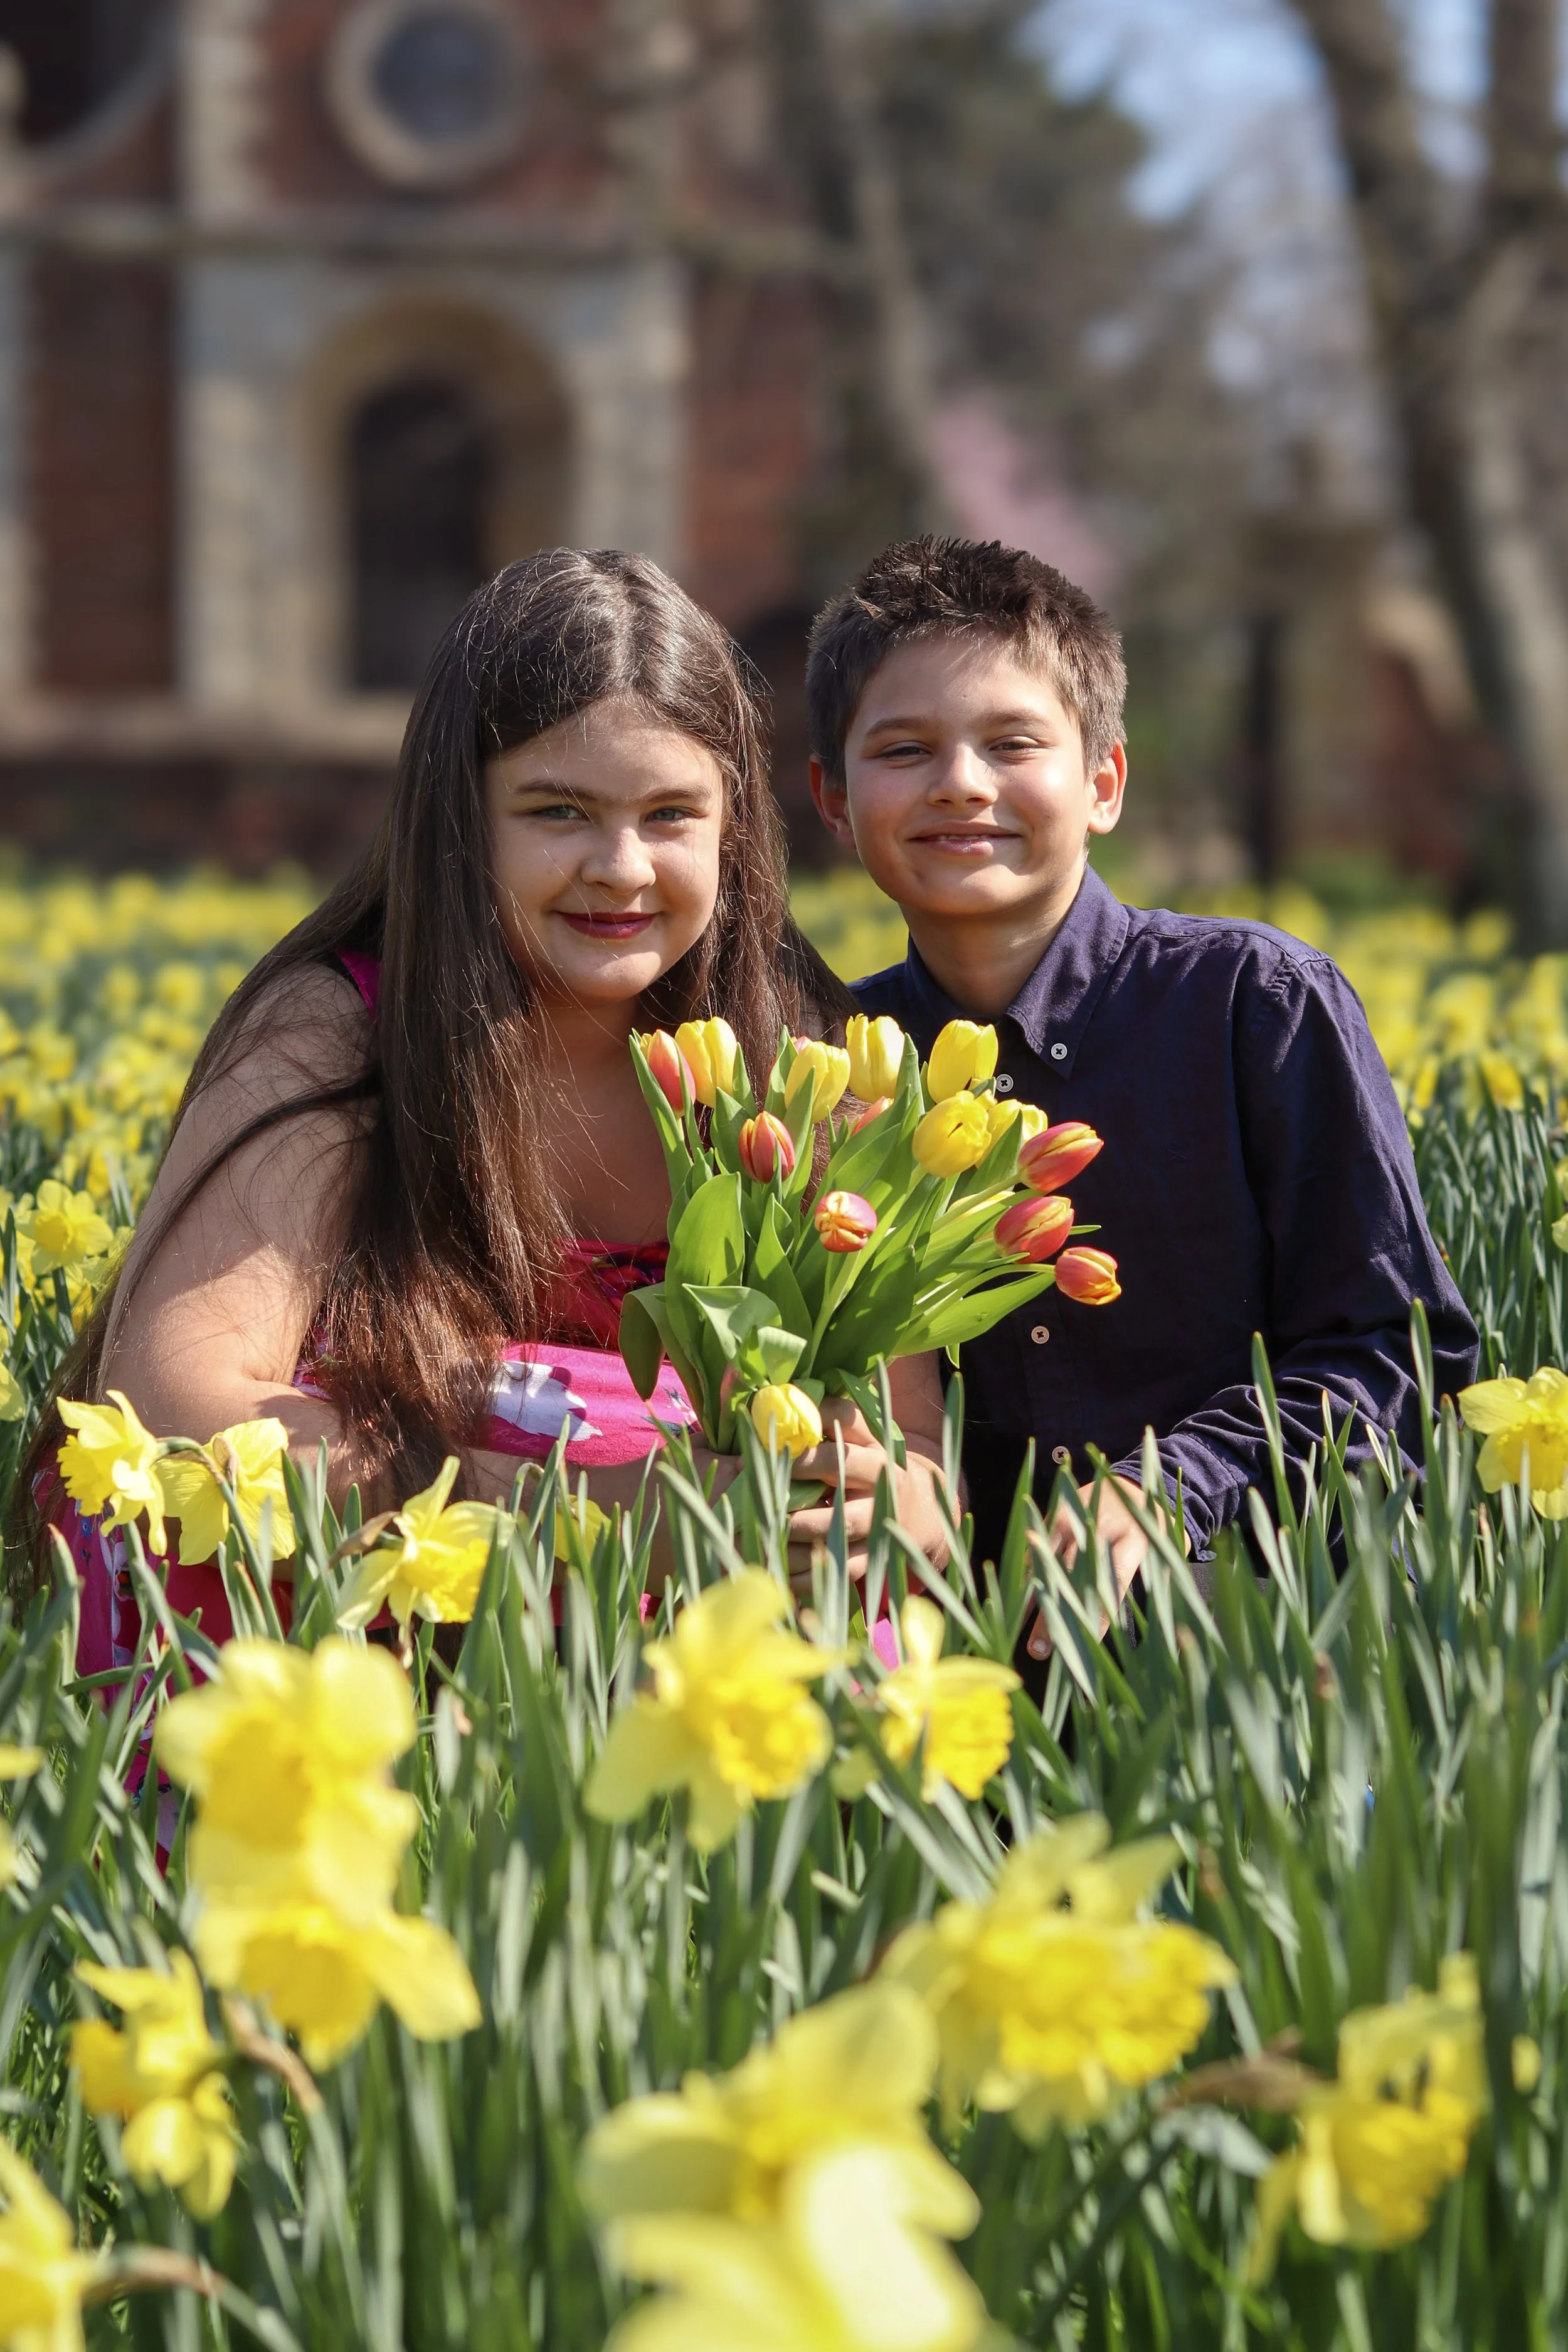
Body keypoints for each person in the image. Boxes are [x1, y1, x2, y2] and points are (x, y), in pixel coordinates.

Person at [28, 549, 951, 1673]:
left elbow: (904, 1439)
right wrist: (592, 1509)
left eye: (671, 814)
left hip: (687, 1593)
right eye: (558, 809)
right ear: (462, 821)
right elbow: (178, 1400)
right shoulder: (342, 1027)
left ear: (734, 828)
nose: (620, 867)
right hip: (383, 1568)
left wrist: (893, 1501)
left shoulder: (797, 1059)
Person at [805, 535, 1479, 1657]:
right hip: (956, 1674)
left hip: (1253, 1645)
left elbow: (1395, 1357)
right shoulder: (830, 1060)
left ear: (1105, 781)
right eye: (904, 748)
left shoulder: (1254, 1007)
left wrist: (1168, 1488)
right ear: (833, 801)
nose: (961, 782)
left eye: (1013, 741)